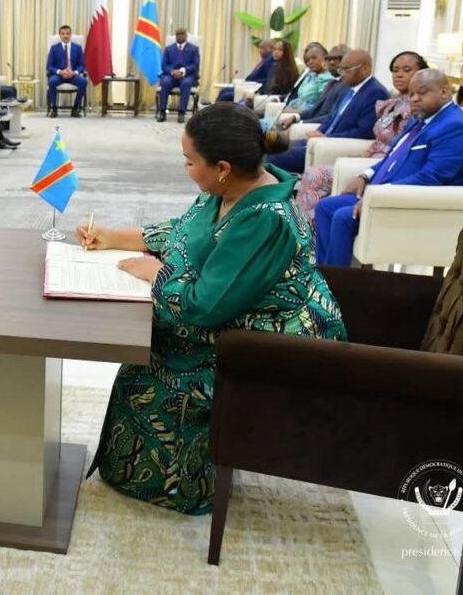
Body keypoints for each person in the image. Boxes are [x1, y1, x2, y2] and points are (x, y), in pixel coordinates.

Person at [76, 103, 346, 515]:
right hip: (234, 321)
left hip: (266, 346)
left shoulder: (265, 219)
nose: (185, 167)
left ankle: (180, 486)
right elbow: (182, 232)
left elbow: (204, 307)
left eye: (189, 161)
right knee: (142, 348)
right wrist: (113, 237)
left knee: (151, 368)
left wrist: (158, 274)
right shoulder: (228, 190)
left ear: (222, 167)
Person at [315, 69, 463, 267]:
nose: (414, 99)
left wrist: (379, 195)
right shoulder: (420, 120)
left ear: (444, 92)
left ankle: (336, 282)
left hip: (412, 203)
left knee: (343, 217)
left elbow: (432, 177)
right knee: (325, 207)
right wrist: (365, 176)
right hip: (384, 193)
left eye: (422, 93)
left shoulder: (455, 127)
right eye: (411, 94)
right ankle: (323, 274)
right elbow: (392, 157)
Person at [296, 51, 425, 223]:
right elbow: (377, 138)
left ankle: (303, 233)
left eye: (406, 70)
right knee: (312, 172)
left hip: (384, 167)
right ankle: (304, 231)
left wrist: (367, 166)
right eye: (395, 70)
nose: (399, 74)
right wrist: (363, 155)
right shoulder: (394, 103)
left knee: (315, 174)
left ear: (421, 73)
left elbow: (400, 148)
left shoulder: (418, 108)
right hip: (369, 160)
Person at [267, 49, 388, 174]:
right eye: (341, 70)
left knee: (273, 157)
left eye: (346, 69)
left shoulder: (375, 93)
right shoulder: (349, 89)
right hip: (319, 140)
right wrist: (320, 130)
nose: (342, 74)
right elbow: (332, 117)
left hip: (333, 146)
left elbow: (364, 132)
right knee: (272, 146)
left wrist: (326, 137)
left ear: (365, 69)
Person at [273, 43, 349, 129]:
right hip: (305, 115)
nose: (332, 62)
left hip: (320, 125)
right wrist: (295, 117)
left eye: (337, 58)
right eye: (329, 59)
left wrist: (300, 120)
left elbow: (328, 114)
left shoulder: (335, 82)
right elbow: (315, 108)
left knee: (276, 127)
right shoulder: (331, 81)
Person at [156, 28, 200, 123]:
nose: (179, 36)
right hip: (171, 75)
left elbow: (195, 65)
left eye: (182, 34)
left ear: (186, 36)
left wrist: (183, 71)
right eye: (178, 34)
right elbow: (164, 65)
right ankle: (162, 111)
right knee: (165, 82)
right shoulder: (169, 49)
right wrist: (172, 71)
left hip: (187, 75)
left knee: (186, 83)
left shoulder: (194, 49)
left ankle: (181, 113)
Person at [45, 24, 87, 118]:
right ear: (60, 35)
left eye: (67, 33)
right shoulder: (54, 48)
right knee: (51, 81)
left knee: (83, 81)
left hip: (73, 75)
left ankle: (75, 109)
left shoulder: (78, 48)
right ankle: (54, 109)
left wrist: (74, 72)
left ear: (70, 35)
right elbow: (49, 66)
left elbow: (82, 65)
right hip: (59, 75)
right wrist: (60, 72)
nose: (65, 36)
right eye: (63, 34)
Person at [285, 43, 335, 112]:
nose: (310, 62)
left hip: (308, 115)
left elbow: (321, 106)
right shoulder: (310, 76)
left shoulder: (326, 78)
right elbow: (300, 99)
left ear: (325, 58)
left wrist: (296, 111)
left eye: (314, 58)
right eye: (308, 60)